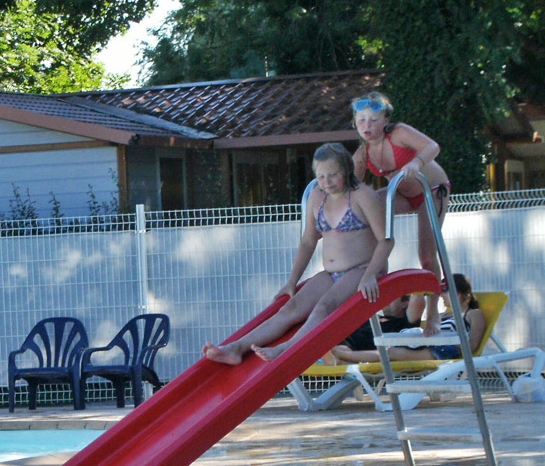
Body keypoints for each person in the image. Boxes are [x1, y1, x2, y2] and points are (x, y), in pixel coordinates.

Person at [203, 143, 393, 365]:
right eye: (321, 176)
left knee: (324, 307)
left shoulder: (362, 195)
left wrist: (370, 274)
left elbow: (386, 240)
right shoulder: (317, 196)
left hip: (362, 269)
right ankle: (236, 348)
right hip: (331, 274)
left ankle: (287, 348)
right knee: (290, 308)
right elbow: (308, 241)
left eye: (333, 174)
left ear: (346, 169)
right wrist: (292, 282)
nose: (327, 182)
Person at [351, 92, 452, 336]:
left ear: (385, 120)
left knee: (426, 256)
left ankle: (433, 312)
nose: (367, 125)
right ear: (354, 122)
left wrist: (416, 163)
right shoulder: (363, 153)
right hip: (403, 195)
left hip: (431, 191)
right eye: (361, 120)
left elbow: (432, 146)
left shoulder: (398, 133)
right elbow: (350, 187)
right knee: (369, 206)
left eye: (373, 120)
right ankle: (376, 267)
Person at [330, 274, 485, 363]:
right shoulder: (442, 315)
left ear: (458, 294)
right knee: (390, 349)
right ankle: (340, 356)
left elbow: (473, 345)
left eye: (443, 291)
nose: (439, 295)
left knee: (391, 353)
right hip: (426, 344)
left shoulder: (473, 314)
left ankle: (342, 355)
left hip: (444, 350)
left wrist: (453, 347)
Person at [320, 293, 414, 364]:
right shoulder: (374, 317)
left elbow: (417, 300)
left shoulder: (405, 322)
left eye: (392, 297)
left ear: (404, 304)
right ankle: (333, 357)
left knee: (337, 350)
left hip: (357, 349)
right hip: (342, 339)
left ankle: (335, 359)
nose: (386, 299)